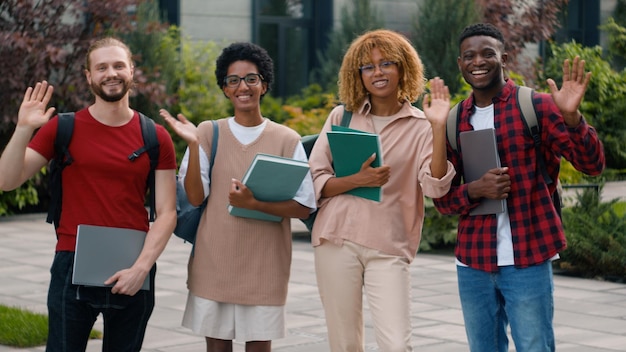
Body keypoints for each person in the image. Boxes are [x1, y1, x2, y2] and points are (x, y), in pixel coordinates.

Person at [433, 23, 605, 352]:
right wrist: (476, 190)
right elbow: (443, 202)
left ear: (505, 58)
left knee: (535, 347)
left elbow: (592, 165)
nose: (478, 61)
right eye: (469, 56)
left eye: (487, 53)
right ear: (460, 64)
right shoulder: (454, 120)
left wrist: (572, 118)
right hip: (473, 263)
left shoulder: (535, 106)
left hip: (527, 258)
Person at [0, 37, 177, 351]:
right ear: (89, 76)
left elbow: (167, 213)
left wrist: (141, 268)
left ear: (132, 71)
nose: (111, 73)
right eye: (102, 67)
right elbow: (7, 180)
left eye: (119, 65)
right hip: (71, 264)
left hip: (133, 265)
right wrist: (23, 128)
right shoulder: (62, 128)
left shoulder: (155, 136)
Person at [160, 42, 316, 352]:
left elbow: (303, 206)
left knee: (259, 346)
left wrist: (254, 204)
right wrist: (191, 145)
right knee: (217, 348)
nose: (242, 86)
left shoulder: (287, 139)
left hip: (265, 264)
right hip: (214, 260)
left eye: (251, 78)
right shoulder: (207, 132)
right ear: (225, 89)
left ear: (264, 84)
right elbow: (194, 196)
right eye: (233, 80)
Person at [308, 29, 456, 351]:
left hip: (389, 245)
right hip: (336, 239)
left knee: (396, 345)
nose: (377, 72)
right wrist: (356, 181)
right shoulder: (342, 116)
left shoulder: (421, 126)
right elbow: (315, 179)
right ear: (357, 74)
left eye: (386, 63)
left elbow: (436, 187)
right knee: (344, 344)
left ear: (402, 68)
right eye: (368, 66)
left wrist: (438, 127)